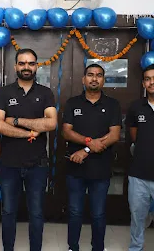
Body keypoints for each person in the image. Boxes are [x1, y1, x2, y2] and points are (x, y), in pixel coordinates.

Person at [0, 48, 57, 251]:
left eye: (30, 63)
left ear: (36, 66)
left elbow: (51, 123)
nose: (26, 67)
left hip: (37, 164)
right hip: (9, 164)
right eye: (22, 63)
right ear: (15, 66)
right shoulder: (4, 92)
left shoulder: (45, 93)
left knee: (36, 213)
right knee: (8, 212)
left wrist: (17, 121)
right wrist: (28, 132)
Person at [62, 64, 121, 251]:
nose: (94, 79)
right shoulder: (73, 103)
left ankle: (98, 247)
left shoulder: (113, 104)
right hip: (75, 168)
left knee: (98, 213)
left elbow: (114, 136)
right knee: (75, 212)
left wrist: (85, 150)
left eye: (99, 75)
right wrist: (89, 141)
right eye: (90, 75)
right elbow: (66, 132)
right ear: (83, 79)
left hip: (101, 169)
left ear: (103, 80)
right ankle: (73, 247)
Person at [126, 64, 154, 251]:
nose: (152, 82)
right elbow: (134, 137)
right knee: (137, 217)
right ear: (143, 82)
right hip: (139, 175)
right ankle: (136, 248)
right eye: (148, 79)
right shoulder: (136, 107)